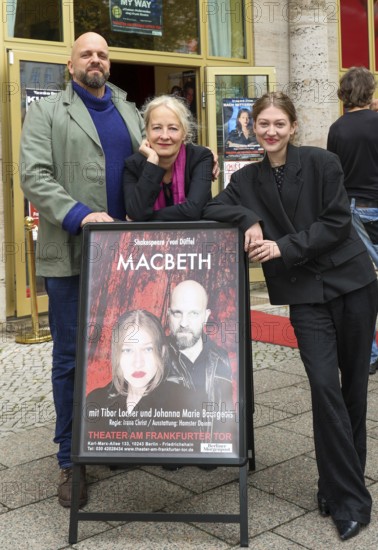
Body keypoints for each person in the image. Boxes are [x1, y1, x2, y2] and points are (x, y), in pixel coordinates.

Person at [203, 91, 378, 541]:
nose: (271, 131)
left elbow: (337, 222)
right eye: (264, 124)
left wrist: (282, 246)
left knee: (353, 388)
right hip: (305, 296)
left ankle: (337, 485)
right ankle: (351, 499)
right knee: (324, 388)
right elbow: (213, 207)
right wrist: (249, 220)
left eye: (279, 123)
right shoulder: (248, 179)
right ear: (253, 127)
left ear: (293, 127)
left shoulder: (323, 163)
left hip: (353, 284)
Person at [19, 32, 145, 508]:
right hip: (73, 255)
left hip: (127, 258)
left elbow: (155, 160)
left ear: (109, 64)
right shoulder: (48, 112)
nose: (96, 59)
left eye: (102, 54)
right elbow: (34, 174)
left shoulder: (130, 111)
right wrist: (79, 215)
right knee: (72, 359)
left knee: (123, 352)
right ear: (70, 64)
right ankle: (72, 461)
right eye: (86, 53)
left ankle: (111, 439)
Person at [327, 66, 378, 375]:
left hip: (354, 208)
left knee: (364, 281)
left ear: (344, 92)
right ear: (370, 90)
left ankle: (370, 353)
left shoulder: (338, 128)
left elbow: (335, 174)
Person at [86, 310, 194, 429]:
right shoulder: (96, 400)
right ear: (117, 355)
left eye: (147, 349)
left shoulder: (183, 401)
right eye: (127, 350)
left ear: (162, 353)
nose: (138, 362)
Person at [123, 94, 212, 221]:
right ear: (147, 131)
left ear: (184, 132)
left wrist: (146, 218)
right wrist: (152, 162)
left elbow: (193, 211)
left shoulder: (200, 158)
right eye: (157, 128)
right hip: (149, 241)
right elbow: (136, 211)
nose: (165, 136)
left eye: (173, 128)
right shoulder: (133, 164)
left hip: (195, 239)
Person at [167, 280, 233, 410]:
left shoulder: (221, 358)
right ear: (168, 314)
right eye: (177, 313)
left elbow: (226, 416)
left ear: (206, 316)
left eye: (193, 313)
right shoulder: (152, 357)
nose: (184, 323)